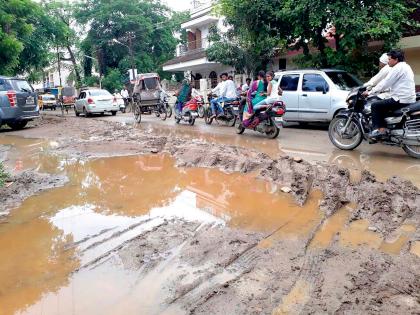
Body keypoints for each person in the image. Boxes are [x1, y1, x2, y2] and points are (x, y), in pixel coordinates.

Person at [363, 50, 416, 139]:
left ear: (396, 59)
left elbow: (385, 83)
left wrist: (370, 92)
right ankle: (387, 127)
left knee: (375, 105)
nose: (388, 61)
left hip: (400, 99)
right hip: (408, 97)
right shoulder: (406, 66)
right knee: (383, 105)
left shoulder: (397, 68)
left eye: (389, 59)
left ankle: (380, 131)